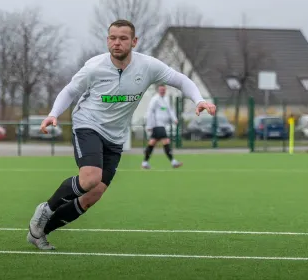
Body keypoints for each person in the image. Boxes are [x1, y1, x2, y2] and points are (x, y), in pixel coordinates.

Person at [26, 19, 216, 250]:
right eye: (112, 38)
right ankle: (45, 209)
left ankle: (40, 233)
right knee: (90, 179)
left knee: (92, 196)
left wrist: (199, 100)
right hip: (88, 124)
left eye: (123, 38)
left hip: (115, 137)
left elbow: (181, 80)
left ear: (134, 42)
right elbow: (70, 90)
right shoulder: (95, 67)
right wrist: (53, 114)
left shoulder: (148, 66)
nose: (117, 43)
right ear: (107, 40)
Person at [142, 84, 182, 169]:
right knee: (166, 141)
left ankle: (145, 162)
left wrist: (174, 119)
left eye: (164, 90)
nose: (162, 91)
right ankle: (173, 162)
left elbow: (169, 110)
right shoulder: (155, 99)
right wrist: (149, 125)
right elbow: (150, 112)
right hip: (157, 125)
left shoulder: (166, 99)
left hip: (162, 125)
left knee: (152, 143)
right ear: (158, 90)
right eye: (161, 90)